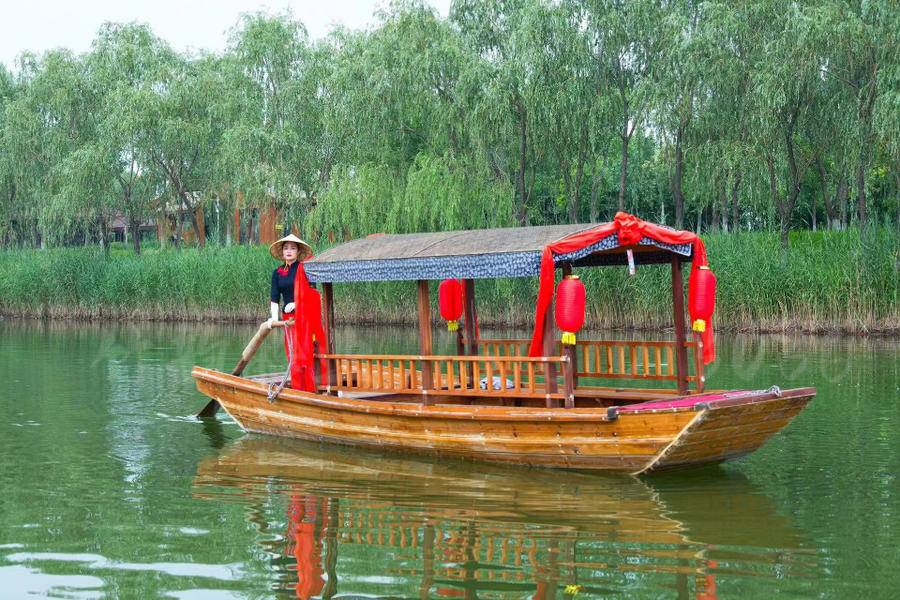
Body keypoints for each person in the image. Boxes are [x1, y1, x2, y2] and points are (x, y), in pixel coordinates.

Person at [268, 234, 313, 328]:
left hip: (305, 315)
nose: (289, 251)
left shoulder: (305, 269)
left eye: (293, 248)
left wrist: (297, 304)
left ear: (298, 251)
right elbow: (274, 298)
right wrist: (274, 319)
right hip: (287, 317)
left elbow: (312, 293)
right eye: (286, 248)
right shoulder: (277, 272)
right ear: (282, 251)